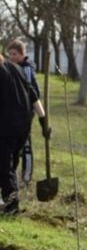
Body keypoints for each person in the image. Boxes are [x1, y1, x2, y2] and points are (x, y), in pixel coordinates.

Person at [0, 48, 49, 216]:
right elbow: (34, 96)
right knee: (10, 165)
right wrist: (44, 123)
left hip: (6, 127)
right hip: (23, 128)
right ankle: (7, 200)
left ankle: (12, 206)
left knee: (4, 166)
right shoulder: (17, 69)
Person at [5, 39, 46, 187]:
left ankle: (26, 177)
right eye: (10, 54)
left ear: (23, 54)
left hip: (25, 113)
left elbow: (32, 92)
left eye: (15, 54)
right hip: (14, 113)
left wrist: (39, 117)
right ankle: (13, 175)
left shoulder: (26, 69)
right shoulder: (11, 68)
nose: (12, 57)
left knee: (26, 146)